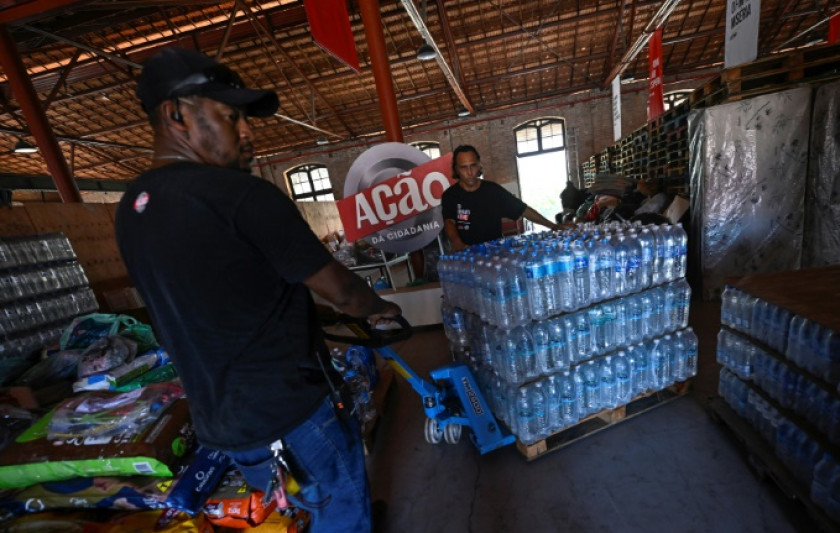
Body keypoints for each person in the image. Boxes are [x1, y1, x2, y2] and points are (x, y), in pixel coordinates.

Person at [114, 48, 400, 533]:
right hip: (293, 413)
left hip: (225, 425)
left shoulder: (132, 210)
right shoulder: (243, 196)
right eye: (230, 117)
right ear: (176, 114)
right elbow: (343, 290)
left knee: (305, 503)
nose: (247, 132)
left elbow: (226, 299)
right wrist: (381, 308)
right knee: (341, 509)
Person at [441, 145, 566, 250]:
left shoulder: (493, 191)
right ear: (456, 169)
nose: (469, 172)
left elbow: (523, 210)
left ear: (479, 165)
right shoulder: (450, 196)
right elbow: (449, 221)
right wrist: (457, 242)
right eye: (463, 167)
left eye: (473, 166)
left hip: (495, 254)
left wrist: (554, 226)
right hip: (466, 255)